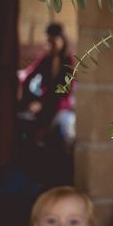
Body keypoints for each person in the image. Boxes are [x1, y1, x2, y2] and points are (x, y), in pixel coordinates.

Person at [18, 23, 76, 152]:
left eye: (54, 40)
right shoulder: (45, 59)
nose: (52, 44)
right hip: (45, 104)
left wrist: (45, 103)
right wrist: (31, 100)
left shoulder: (69, 61)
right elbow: (28, 77)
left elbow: (66, 90)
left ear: (62, 40)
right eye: (50, 41)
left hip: (61, 106)